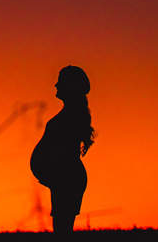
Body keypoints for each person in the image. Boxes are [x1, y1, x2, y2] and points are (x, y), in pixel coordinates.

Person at [30, 65, 95, 232]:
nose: (56, 85)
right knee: (61, 228)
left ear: (70, 86)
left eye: (60, 82)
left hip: (67, 178)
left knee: (62, 230)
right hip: (64, 178)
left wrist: (50, 172)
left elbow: (63, 154)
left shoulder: (70, 117)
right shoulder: (71, 114)